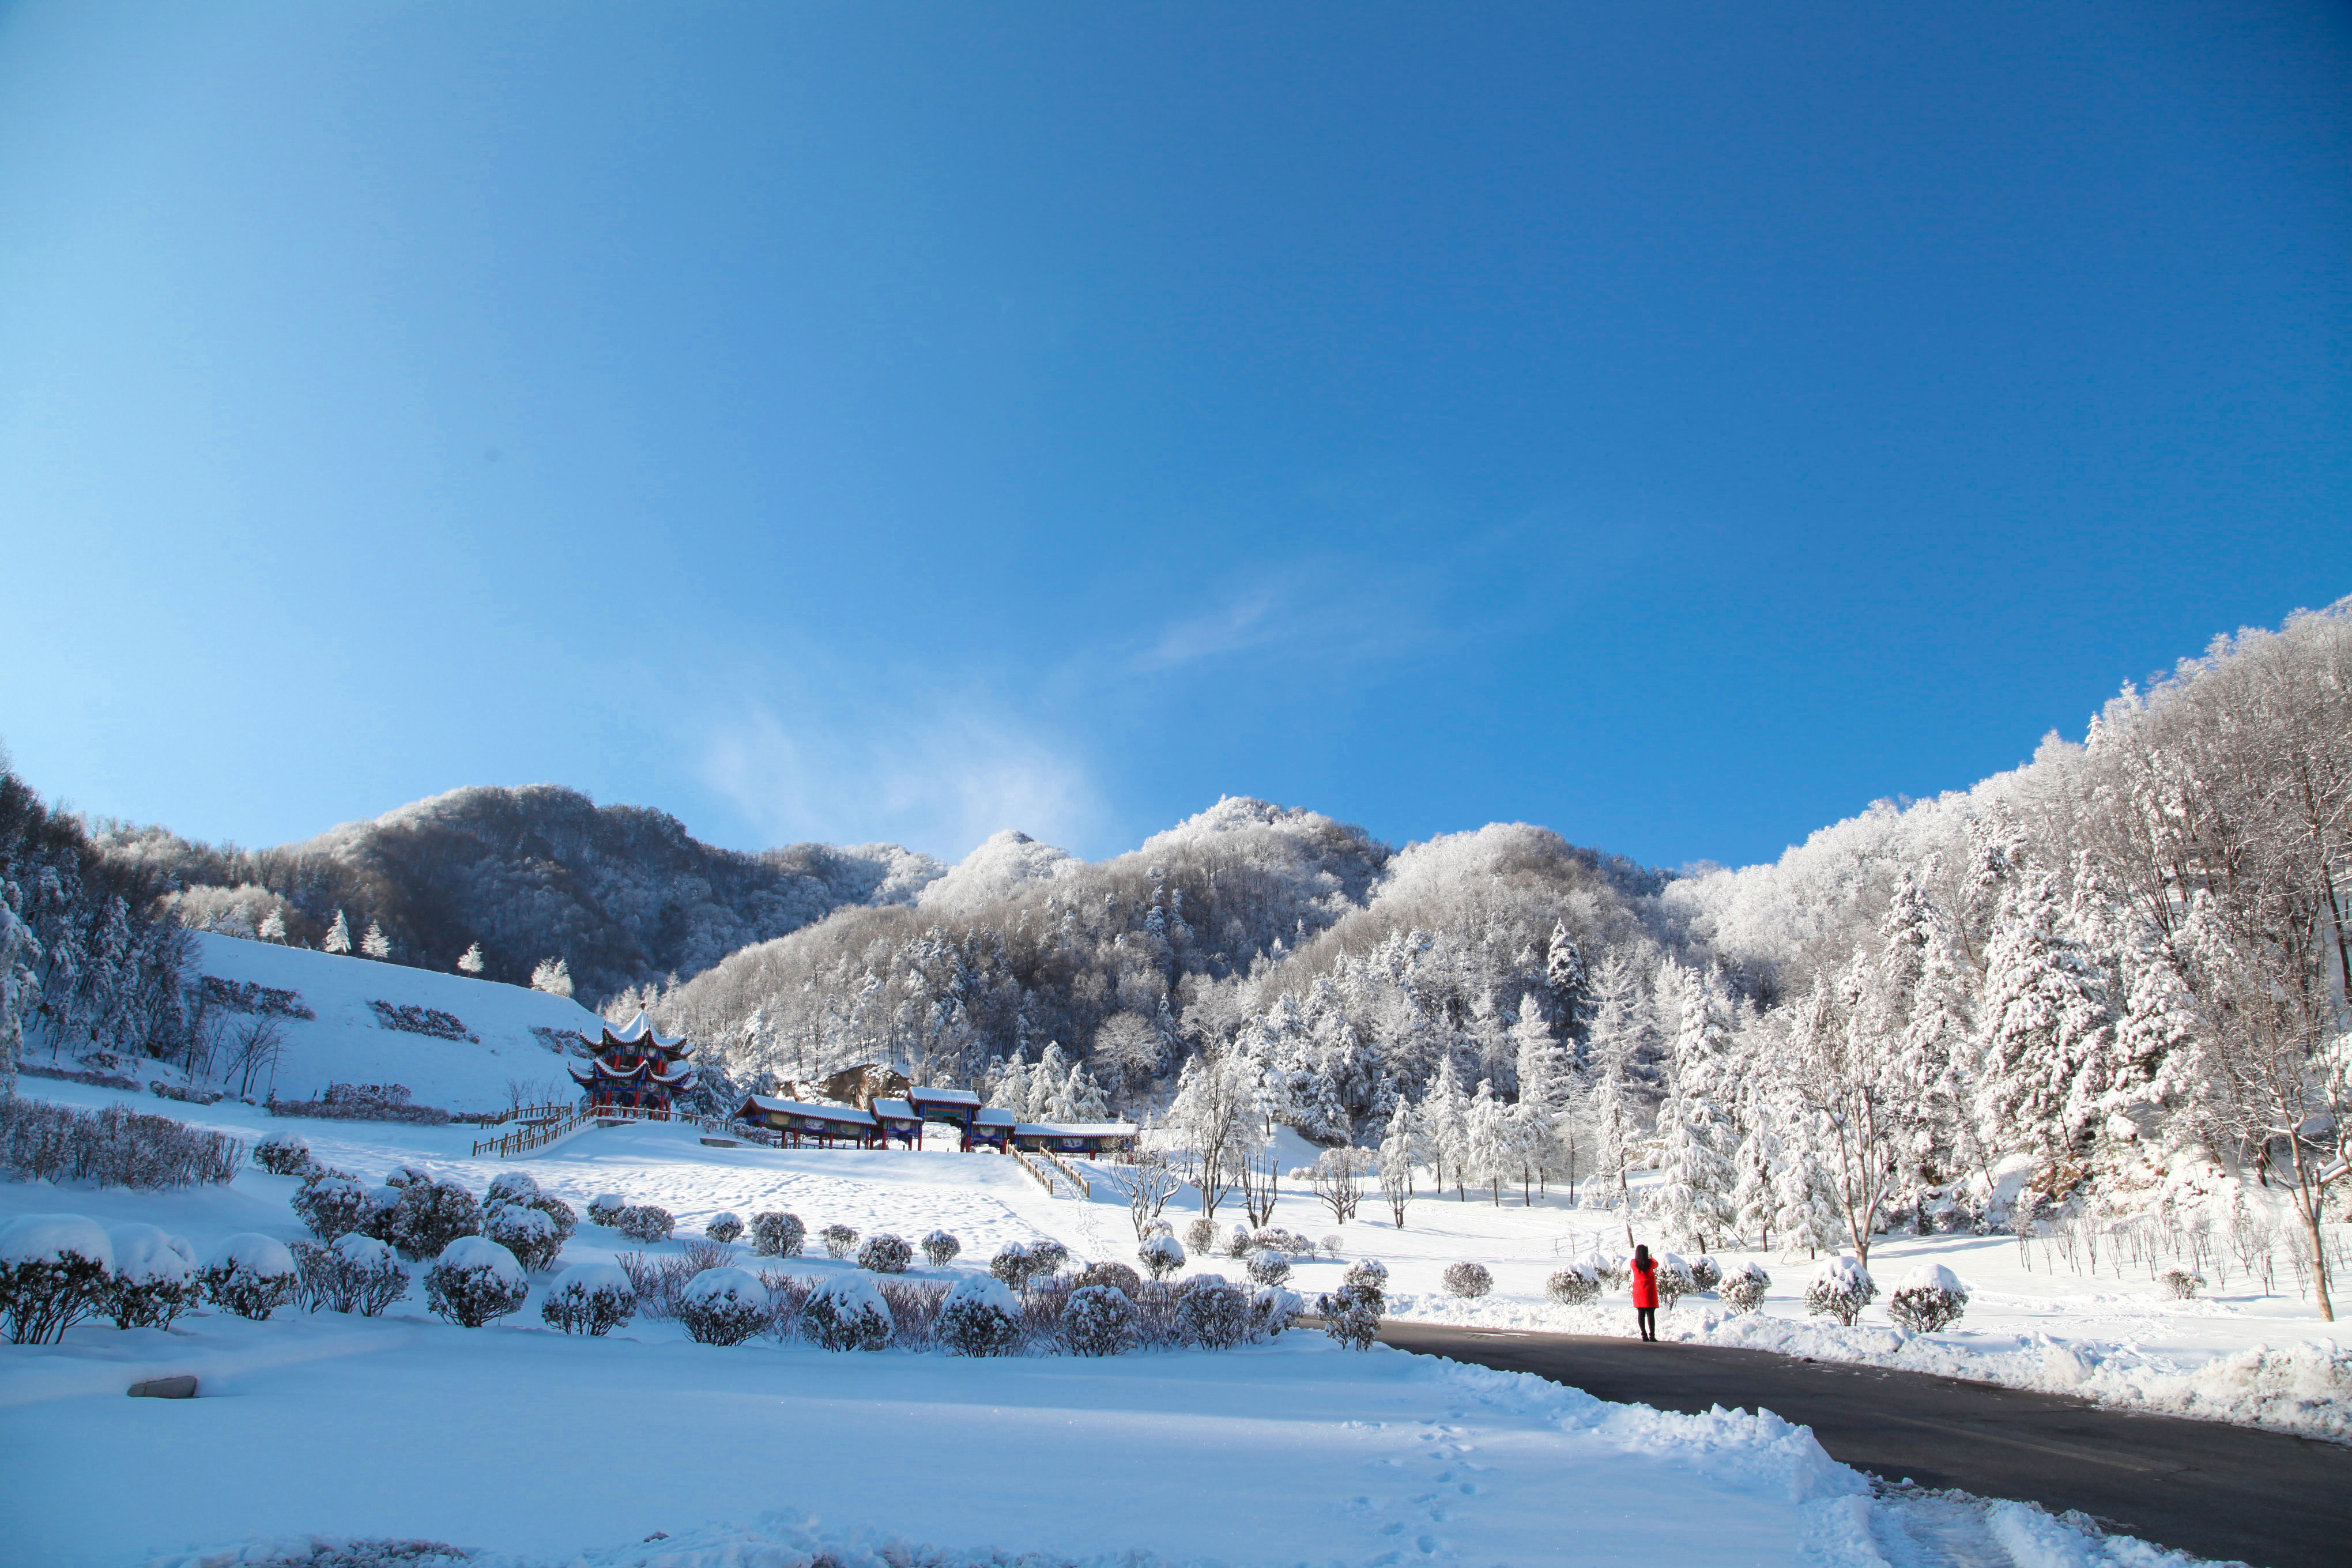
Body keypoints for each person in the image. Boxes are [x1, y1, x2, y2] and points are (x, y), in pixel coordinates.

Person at [1630, 1243, 1660, 1341]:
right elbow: (1656, 1264)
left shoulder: (1634, 1263)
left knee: (1641, 1313)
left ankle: (1644, 1335)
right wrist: (1652, 1258)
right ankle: (1652, 1335)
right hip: (1649, 1291)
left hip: (1639, 1291)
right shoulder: (1650, 1263)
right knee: (1651, 1314)